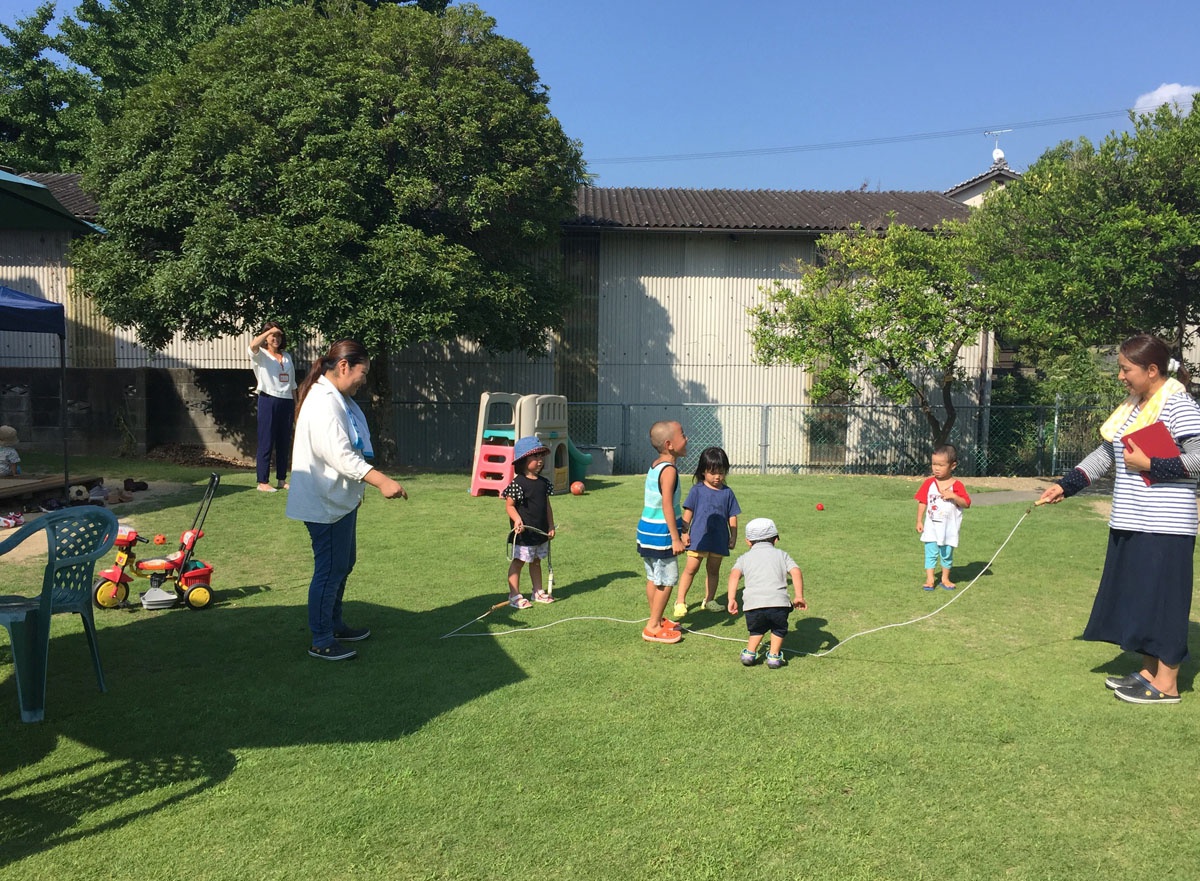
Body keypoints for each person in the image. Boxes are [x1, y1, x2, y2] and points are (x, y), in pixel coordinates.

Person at [1038, 334, 1200, 705]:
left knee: (1163, 602)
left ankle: (1169, 685)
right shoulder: (1133, 406)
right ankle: (1149, 673)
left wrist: (1152, 464)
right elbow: (1106, 453)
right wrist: (1066, 486)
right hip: (1131, 520)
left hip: (1165, 524)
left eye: (1126, 369)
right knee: (1141, 600)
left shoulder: (1179, 405)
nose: (1120, 377)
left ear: (1152, 370)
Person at [286, 339, 408, 661]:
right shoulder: (323, 402)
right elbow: (340, 455)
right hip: (324, 503)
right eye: (362, 373)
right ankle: (322, 639)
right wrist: (381, 480)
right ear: (343, 367)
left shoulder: (335, 398)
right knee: (329, 569)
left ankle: (334, 623)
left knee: (343, 563)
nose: (364, 380)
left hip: (339, 500)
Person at [726, 517, 806, 669]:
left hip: (753, 604)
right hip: (779, 603)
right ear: (775, 539)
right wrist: (799, 596)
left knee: (757, 628)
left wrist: (731, 598)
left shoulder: (744, 558)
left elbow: (734, 575)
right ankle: (774, 657)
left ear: (748, 541)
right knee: (778, 628)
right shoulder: (782, 555)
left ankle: (749, 653)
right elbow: (795, 571)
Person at [636, 420, 688, 644]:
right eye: (683, 435)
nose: (687, 439)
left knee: (653, 577)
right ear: (669, 444)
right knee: (667, 581)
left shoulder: (656, 464)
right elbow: (667, 504)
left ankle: (656, 617)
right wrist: (676, 538)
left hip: (647, 530)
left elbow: (663, 504)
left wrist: (682, 524)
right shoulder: (669, 471)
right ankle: (653, 626)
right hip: (661, 535)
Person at [672, 446, 740, 617]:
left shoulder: (728, 493)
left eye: (721, 472)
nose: (717, 477)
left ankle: (709, 600)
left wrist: (733, 536)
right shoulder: (697, 490)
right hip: (698, 539)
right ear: (703, 472)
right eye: (713, 472)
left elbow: (732, 516)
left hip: (719, 539)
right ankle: (680, 601)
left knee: (713, 570)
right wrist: (684, 533)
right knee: (691, 569)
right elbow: (688, 513)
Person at [502, 436, 556, 608]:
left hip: (539, 533)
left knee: (536, 561)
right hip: (524, 533)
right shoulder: (518, 484)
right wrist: (517, 519)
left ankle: (537, 591)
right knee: (519, 561)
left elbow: (547, 506)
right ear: (524, 460)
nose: (540, 461)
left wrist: (550, 525)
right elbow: (509, 506)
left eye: (541, 457)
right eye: (535, 457)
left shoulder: (543, 483)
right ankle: (514, 595)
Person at [914, 444, 971, 590]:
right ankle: (930, 578)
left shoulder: (957, 485)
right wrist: (919, 520)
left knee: (946, 554)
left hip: (948, 529)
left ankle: (945, 578)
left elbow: (966, 503)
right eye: (934, 464)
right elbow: (922, 501)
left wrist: (954, 496)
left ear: (952, 466)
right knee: (930, 553)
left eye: (941, 465)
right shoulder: (929, 483)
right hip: (931, 527)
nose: (936, 468)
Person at [249, 322, 297, 492]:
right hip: (268, 399)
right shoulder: (261, 354)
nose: (275, 338)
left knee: (284, 441)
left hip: (286, 400)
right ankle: (262, 481)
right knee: (266, 440)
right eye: (272, 335)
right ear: (267, 337)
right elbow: (253, 345)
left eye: (278, 335)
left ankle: (282, 479)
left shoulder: (287, 357)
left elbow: (292, 384)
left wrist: (296, 405)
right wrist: (269, 330)